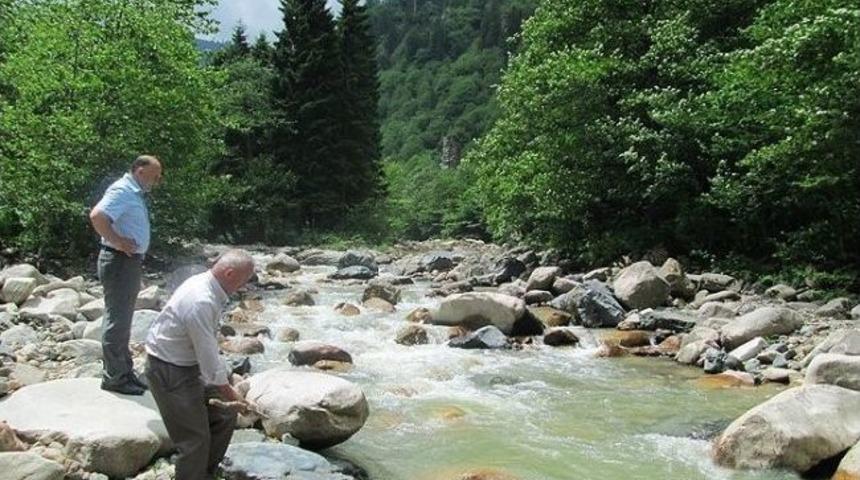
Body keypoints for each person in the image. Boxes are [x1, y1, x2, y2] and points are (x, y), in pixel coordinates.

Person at [144, 250, 256, 480]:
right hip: (169, 370)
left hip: (187, 364)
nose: (245, 286)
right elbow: (206, 354)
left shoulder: (208, 285)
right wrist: (229, 390)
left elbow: (207, 351)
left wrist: (227, 394)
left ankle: (204, 472)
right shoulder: (201, 300)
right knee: (194, 440)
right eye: (244, 280)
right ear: (229, 273)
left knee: (225, 415)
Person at [89, 155, 162, 395]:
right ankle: (115, 377)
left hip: (125, 262)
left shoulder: (132, 191)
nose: (157, 180)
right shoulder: (122, 190)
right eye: (155, 175)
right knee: (117, 320)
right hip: (119, 260)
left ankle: (124, 371)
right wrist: (118, 242)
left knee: (123, 319)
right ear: (140, 171)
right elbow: (97, 216)